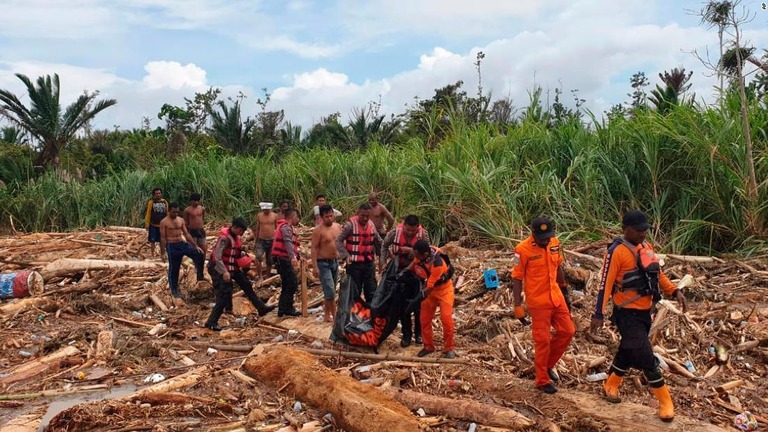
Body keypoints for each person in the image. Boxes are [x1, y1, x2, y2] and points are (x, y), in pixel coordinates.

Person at [590, 210, 687, 422]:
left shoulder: (647, 248)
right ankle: (665, 401)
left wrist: (675, 291)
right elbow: (604, 284)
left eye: (646, 230)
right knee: (645, 356)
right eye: (639, 230)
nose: (644, 234)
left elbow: (658, 275)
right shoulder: (615, 252)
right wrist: (598, 313)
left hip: (645, 312)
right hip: (626, 314)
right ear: (626, 229)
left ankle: (611, 384)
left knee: (629, 349)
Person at [511, 216, 575, 394]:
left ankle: (546, 365)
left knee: (568, 331)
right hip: (538, 302)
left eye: (548, 236)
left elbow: (559, 267)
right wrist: (518, 306)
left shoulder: (554, 243)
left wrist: (564, 290)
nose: (546, 240)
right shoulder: (522, 250)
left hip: (556, 296)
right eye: (542, 238)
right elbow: (516, 277)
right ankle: (541, 380)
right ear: (533, 234)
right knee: (542, 341)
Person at [204, 218, 275, 331]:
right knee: (224, 293)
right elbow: (217, 256)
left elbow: (234, 252)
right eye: (241, 231)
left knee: (246, 285)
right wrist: (224, 272)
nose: (242, 234)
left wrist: (244, 256)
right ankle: (211, 321)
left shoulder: (235, 238)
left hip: (232, 267)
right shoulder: (224, 238)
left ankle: (261, 307)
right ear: (235, 228)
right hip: (219, 268)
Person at [381, 215, 430, 347]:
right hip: (401, 273)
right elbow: (384, 246)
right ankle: (406, 335)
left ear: (417, 228)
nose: (409, 233)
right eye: (407, 230)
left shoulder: (423, 235)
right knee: (403, 307)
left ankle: (419, 335)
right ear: (404, 225)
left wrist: (411, 251)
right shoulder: (394, 233)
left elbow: (428, 253)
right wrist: (383, 263)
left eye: (412, 231)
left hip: (418, 275)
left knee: (419, 307)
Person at [408, 240, 456, 358]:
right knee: (424, 319)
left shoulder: (437, 264)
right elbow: (413, 264)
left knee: (446, 319)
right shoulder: (422, 254)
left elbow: (429, 287)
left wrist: (416, 300)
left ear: (424, 255)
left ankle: (449, 348)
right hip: (430, 291)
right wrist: (404, 273)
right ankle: (428, 346)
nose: (416, 257)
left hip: (444, 290)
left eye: (417, 255)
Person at [159, 203, 205, 304]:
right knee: (174, 268)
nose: (175, 213)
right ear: (169, 211)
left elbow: (187, 234)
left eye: (177, 211)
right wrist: (163, 253)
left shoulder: (180, 220)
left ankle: (200, 275)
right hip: (172, 246)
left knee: (199, 254)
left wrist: (195, 246)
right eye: (173, 211)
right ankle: (174, 289)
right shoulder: (164, 222)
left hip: (181, 243)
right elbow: (162, 238)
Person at [336, 203, 382, 303]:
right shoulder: (350, 226)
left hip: (369, 263)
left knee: (371, 290)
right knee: (354, 291)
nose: (365, 218)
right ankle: (354, 315)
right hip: (354, 265)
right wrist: (346, 255)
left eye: (368, 216)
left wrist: (382, 256)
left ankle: (371, 314)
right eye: (363, 216)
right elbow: (338, 241)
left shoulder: (371, 225)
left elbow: (378, 241)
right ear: (358, 213)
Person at [311, 205, 342, 322]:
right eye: (327, 217)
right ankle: (334, 316)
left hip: (334, 261)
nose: (329, 218)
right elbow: (313, 248)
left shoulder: (337, 227)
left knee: (331, 290)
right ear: (322, 217)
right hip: (323, 263)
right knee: (330, 290)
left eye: (331, 216)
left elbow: (340, 242)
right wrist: (314, 267)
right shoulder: (318, 230)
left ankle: (326, 315)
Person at [272, 208, 302, 317]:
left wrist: (296, 255)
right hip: (283, 259)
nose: (298, 220)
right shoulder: (286, 228)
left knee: (286, 283)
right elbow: (288, 243)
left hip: (282, 259)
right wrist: (292, 257)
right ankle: (287, 308)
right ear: (293, 217)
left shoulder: (286, 227)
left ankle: (282, 308)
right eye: (297, 218)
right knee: (292, 282)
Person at [252, 202, 279, 279]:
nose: (265, 211)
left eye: (267, 210)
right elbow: (258, 228)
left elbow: (277, 228)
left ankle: (267, 276)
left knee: (270, 260)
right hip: (261, 240)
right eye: (264, 210)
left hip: (272, 240)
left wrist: (277, 241)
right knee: (259, 256)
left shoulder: (274, 216)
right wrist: (255, 240)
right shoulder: (259, 216)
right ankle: (260, 276)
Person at [145, 187, 168, 259]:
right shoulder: (151, 202)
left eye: (159, 193)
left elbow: (167, 213)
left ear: (161, 194)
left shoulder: (165, 202)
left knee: (162, 240)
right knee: (152, 240)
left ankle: (162, 254)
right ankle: (152, 255)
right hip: (153, 224)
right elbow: (148, 213)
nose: (158, 195)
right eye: (156, 193)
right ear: (154, 194)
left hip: (162, 225)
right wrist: (147, 223)